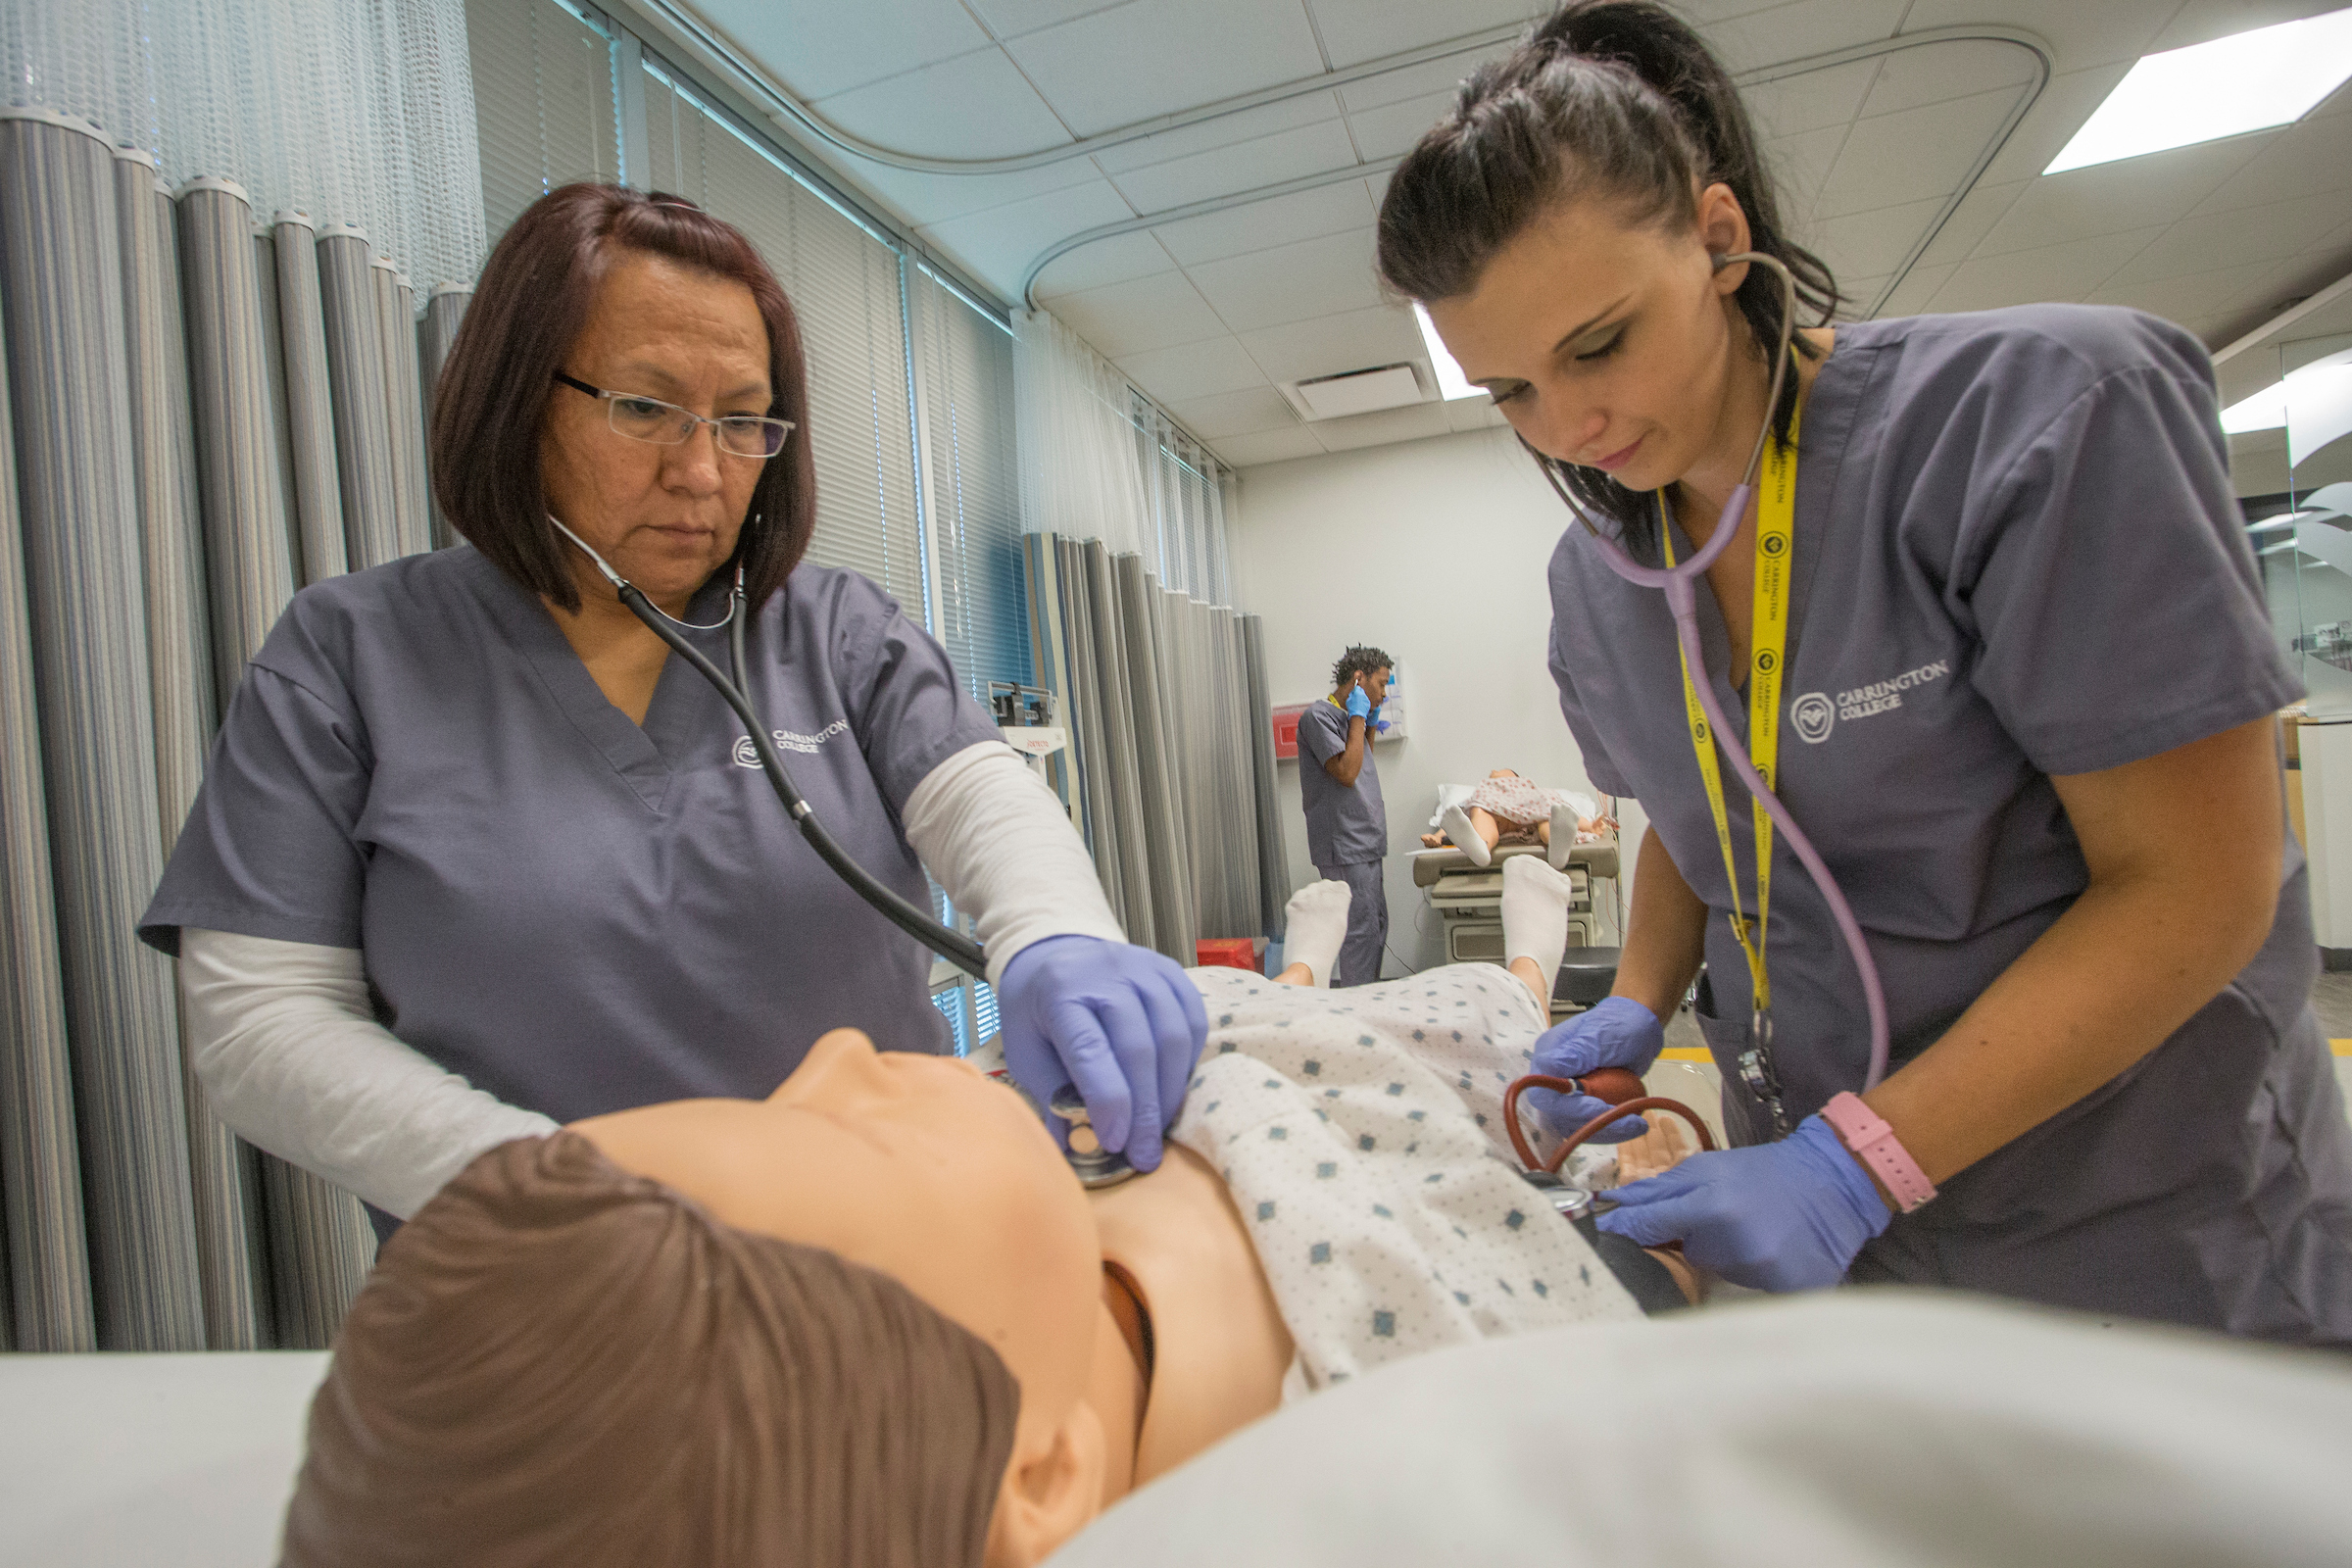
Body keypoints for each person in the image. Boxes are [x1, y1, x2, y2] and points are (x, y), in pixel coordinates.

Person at [1374, 1, 2352, 1338]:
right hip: (1854, 1260)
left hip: (2143, 1225)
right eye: (1511, 392)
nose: (1570, 424)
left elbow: (2198, 886)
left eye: (1598, 345)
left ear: (1719, 237)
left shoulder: (2039, 424)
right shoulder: (1600, 582)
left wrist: (1857, 1164)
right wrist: (1638, 1002)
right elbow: (1704, 816)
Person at [136, 183, 1203, 1235]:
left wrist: (1056, 934)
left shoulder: (834, 631)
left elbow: (979, 796)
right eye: (645, 408)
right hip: (552, 1280)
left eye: (742, 422)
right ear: (516, 401)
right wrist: (548, 1188)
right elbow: (262, 1022)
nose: (702, 473)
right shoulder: (350, 654)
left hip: (889, 1253)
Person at [276, 860, 1696, 1566]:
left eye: (771, 1096)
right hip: (1393, 1118)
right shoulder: (1380, 1417)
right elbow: (1573, 1323)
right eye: (850, 1128)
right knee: (1496, 1037)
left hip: (1210, 1056)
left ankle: (1306, 973)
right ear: (1043, 1479)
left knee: (1265, 1003)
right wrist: (1650, 1233)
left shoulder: (982, 1276)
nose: (838, 1052)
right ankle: (1526, 961)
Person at [1295, 646, 1395, 986]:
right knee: (1359, 932)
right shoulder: (1317, 717)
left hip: (1365, 839)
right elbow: (1347, 773)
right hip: (1344, 842)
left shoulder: (1350, 717)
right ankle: (1358, 1005)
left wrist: (1366, 723)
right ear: (1359, 678)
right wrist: (1358, 718)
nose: (1384, 693)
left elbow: (1361, 762)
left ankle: (1369, 999)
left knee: (1376, 926)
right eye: (1381, 684)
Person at [1424, 768, 1614, 868]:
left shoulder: (1532, 791)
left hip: (1533, 813)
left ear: (1516, 779)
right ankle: (1481, 848)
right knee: (1478, 812)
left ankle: (1557, 844)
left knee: (1550, 813)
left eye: (1500, 772)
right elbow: (1458, 821)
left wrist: (1590, 826)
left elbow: (1562, 813)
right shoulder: (1483, 793)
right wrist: (1438, 837)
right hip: (1494, 813)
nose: (1493, 773)